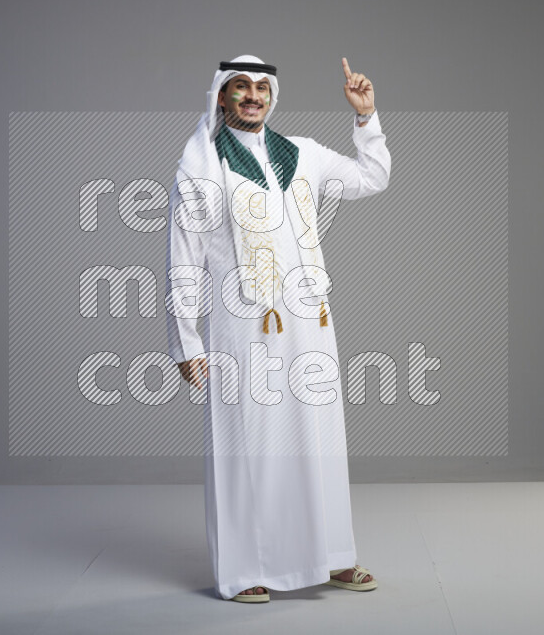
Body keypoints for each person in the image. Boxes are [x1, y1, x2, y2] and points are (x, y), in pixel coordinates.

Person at [165, 54, 391, 602]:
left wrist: (366, 119)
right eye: (240, 87)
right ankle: (247, 570)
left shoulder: (304, 155)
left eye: (261, 87)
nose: (252, 96)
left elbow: (372, 178)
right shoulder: (201, 167)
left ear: (272, 96)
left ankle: (334, 556)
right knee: (249, 450)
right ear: (221, 96)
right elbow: (183, 260)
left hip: (310, 320)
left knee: (319, 442)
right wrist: (186, 342)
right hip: (243, 328)